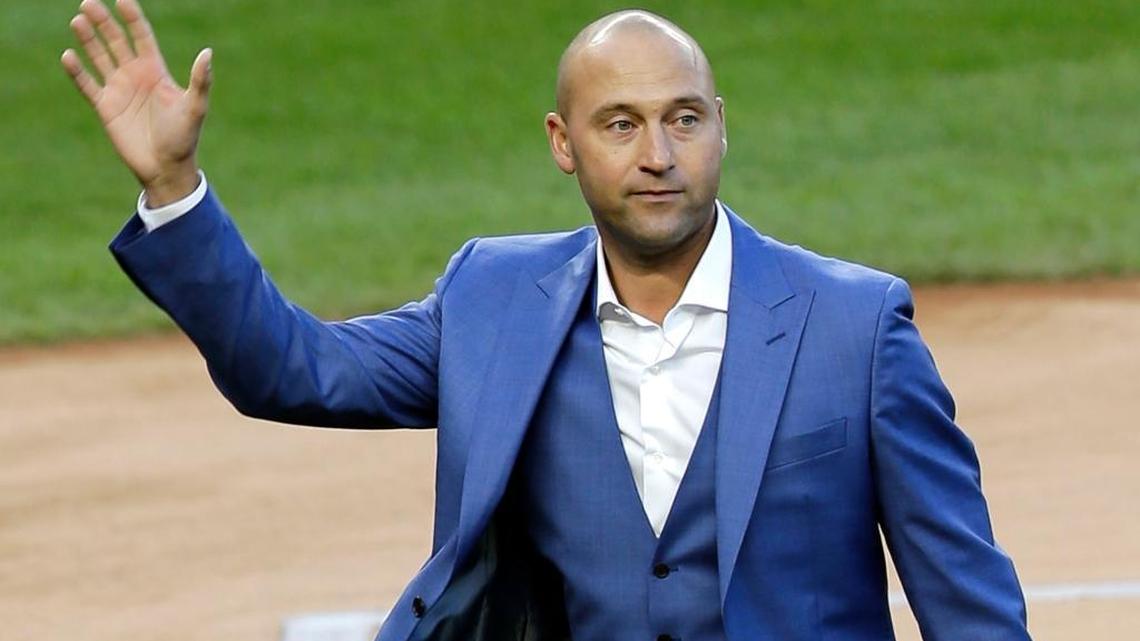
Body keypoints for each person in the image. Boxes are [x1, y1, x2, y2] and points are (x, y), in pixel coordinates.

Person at [62, 1, 1033, 640]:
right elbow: (295, 367)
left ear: (721, 126)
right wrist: (174, 185)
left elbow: (967, 599)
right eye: (621, 123)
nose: (658, 152)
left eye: (683, 118)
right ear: (563, 143)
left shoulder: (857, 326)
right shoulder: (491, 299)